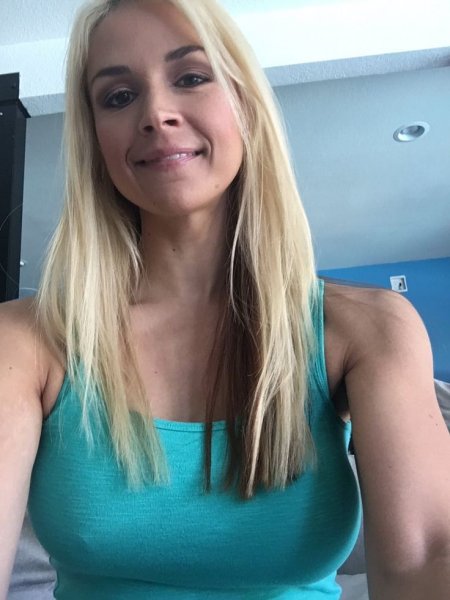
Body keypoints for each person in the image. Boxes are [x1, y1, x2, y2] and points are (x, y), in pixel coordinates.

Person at [1, 0, 449, 598]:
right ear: (95, 142)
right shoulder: (25, 341)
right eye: (118, 96)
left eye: (191, 77)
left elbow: (425, 557)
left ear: (245, 105)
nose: (156, 114)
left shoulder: (369, 329)